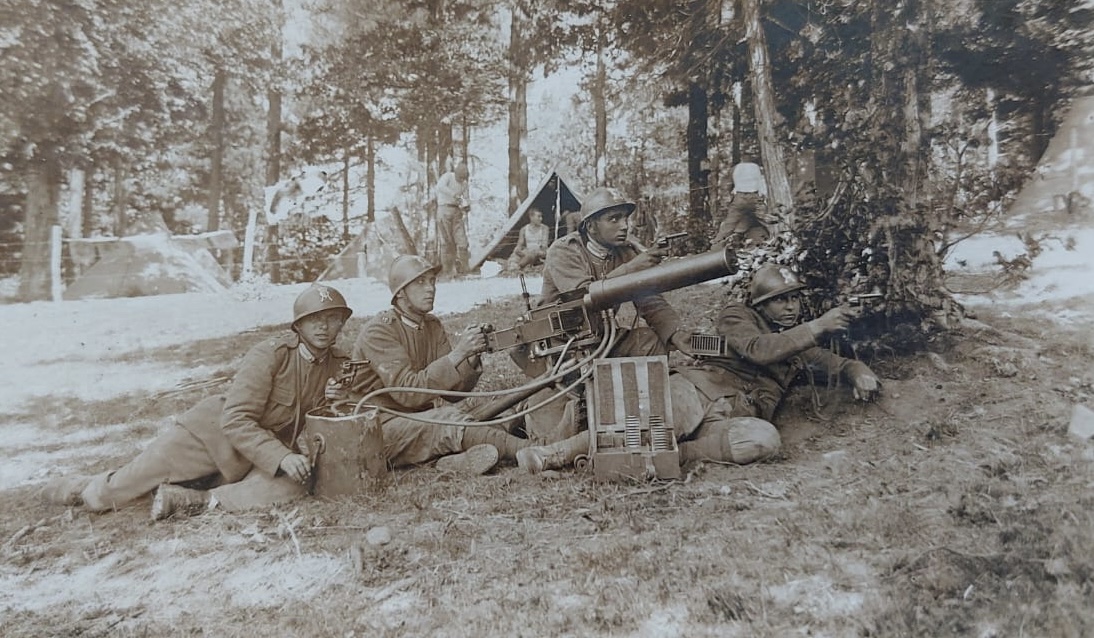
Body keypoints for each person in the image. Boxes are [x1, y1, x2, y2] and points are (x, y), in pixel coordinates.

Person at [41, 284, 356, 520]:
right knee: (111, 495)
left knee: (296, 485)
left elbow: (316, 422)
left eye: (332, 319)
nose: (324, 327)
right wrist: (281, 456)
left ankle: (198, 501)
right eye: (315, 320)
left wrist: (331, 405)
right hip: (207, 438)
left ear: (342, 324)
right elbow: (235, 419)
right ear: (298, 326)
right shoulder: (271, 355)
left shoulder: (339, 362)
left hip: (257, 453)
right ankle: (81, 487)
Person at [670, 263, 881, 464]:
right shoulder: (737, 315)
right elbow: (758, 349)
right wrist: (817, 326)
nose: (790, 307)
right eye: (780, 300)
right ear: (761, 304)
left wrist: (859, 373)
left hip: (730, 417)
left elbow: (841, 365)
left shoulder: (800, 346)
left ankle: (675, 457)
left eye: (794, 298)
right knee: (654, 430)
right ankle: (653, 453)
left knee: (764, 439)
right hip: (697, 391)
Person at [350, 254, 535, 474]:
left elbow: (453, 394)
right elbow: (408, 393)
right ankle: (537, 450)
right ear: (400, 292)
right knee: (449, 420)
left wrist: (472, 355)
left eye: (432, 281)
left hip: (418, 420)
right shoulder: (379, 331)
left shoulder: (431, 325)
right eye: (420, 282)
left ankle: (450, 461)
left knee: (502, 402)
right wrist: (459, 353)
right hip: (378, 428)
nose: (430, 288)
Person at [538, 186, 695, 359]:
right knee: (584, 383)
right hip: (559, 344)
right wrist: (632, 268)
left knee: (649, 342)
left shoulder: (625, 252)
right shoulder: (564, 250)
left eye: (625, 218)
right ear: (590, 226)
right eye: (614, 219)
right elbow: (584, 297)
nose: (624, 226)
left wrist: (675, 334)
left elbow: (650, 301)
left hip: (600, 338)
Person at [712, 156, 770, 248]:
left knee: (729, 224)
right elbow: (764, 185)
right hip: (755, 197)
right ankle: (773, 240)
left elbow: (727, 185)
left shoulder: (735, 168)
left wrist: (729, 199)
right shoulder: (758, 168)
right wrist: (764, 199)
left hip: (740, 197)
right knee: (767, 221)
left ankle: (715, 246)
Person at [435, 161, 471, 277]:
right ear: (456, 173)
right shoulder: (448, 177)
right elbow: (440, 187)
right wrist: (454, 194)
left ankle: (465, 269)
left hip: (457, 212)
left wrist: (467, 205)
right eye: (460, 177)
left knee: (462, 241)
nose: (461, 180)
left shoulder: (464, 184)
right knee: (446, 241)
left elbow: (466, 197)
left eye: (463, 178)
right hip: (444, 209)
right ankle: (447, 271)